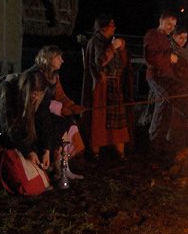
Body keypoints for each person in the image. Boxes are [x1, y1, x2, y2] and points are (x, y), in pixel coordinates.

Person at [81, 14, 134, 162]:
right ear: (104, 27)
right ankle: (95, 152)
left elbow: (122, 64)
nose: (114, 28)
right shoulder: (96, 42)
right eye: (112, 25)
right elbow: (100, 61)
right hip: (102, 88)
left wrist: (121, 47)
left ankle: (120, 152)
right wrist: (113, 47)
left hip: (115, 86)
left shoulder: (107, 41)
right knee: (100, 120)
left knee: (118, 122)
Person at [33, 45, 86, 181]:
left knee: (69, 125)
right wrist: (60, 108)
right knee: (60, 127)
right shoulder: (37, 76)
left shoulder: (54, 77)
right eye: (58, 58)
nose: (62, 60)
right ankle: (58, 169)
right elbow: (36, 104)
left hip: (48, 112)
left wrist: (73, 106)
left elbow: (60, 96)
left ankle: (64, 168)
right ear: (49, 59)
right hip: (37, 115)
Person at [143, 10, 178, 154]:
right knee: (164, 98)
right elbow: (150, 57)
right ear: (161, 21)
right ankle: (153, 136)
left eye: (173, 25)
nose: (171, 27)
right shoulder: (152, 35)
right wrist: (168, 57)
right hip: (155, 76)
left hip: (166, 77)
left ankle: (161, 139)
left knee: (171, 103)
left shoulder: (166, 39)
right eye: (169, 23)